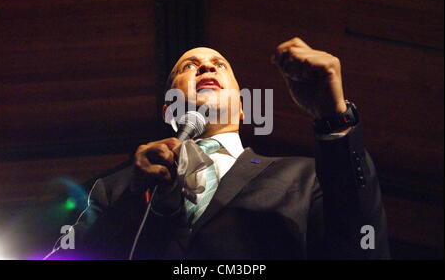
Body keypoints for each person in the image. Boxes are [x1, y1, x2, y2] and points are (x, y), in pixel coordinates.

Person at [49, 37, 390, 259]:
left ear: (242, 108)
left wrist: (333, 119)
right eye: (189, 67)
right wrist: (134, 202)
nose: (207, 66)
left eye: (219, 64)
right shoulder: (117, 189)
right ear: (169, 109)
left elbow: (361, 242)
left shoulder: (304, 176)